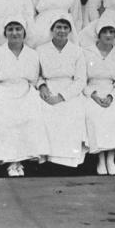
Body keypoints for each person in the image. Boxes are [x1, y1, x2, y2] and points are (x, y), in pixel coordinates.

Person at [0, 17, 49, 177]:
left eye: (18, 29)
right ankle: (11, 161)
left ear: (24, 32)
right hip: (3, 89)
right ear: (5, 33)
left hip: (26, 89)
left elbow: (38, 77)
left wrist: (41, 86)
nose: (14, 33)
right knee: (4, 116)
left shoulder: (32, 53)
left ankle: (21, 160)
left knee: (31, 113)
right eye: (10, 29)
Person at [36, 14, 87, 169]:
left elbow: (80, 80)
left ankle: (68, 159)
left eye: (65, 27)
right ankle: (48, 158)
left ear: (70, 31)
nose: (62, 30)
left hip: (69, 91)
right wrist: (42, 86)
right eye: (58, 27)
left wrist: (62, 96)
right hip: (48, 89)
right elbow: (36, 74)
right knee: (42, 111)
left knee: (72, 112)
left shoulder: (77, 51)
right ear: (52, 29)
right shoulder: (41, 49)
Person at [83, 20, 115, 175]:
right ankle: (100, 159)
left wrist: (111, 96)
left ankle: (111, 158)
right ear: (99, 34)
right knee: (94, 114)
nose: (108, 35)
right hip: (92, 92)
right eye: (105, 32)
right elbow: (81, 80)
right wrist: (94, 96)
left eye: (111, 32)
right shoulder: (86, 52)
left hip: (112, 92)